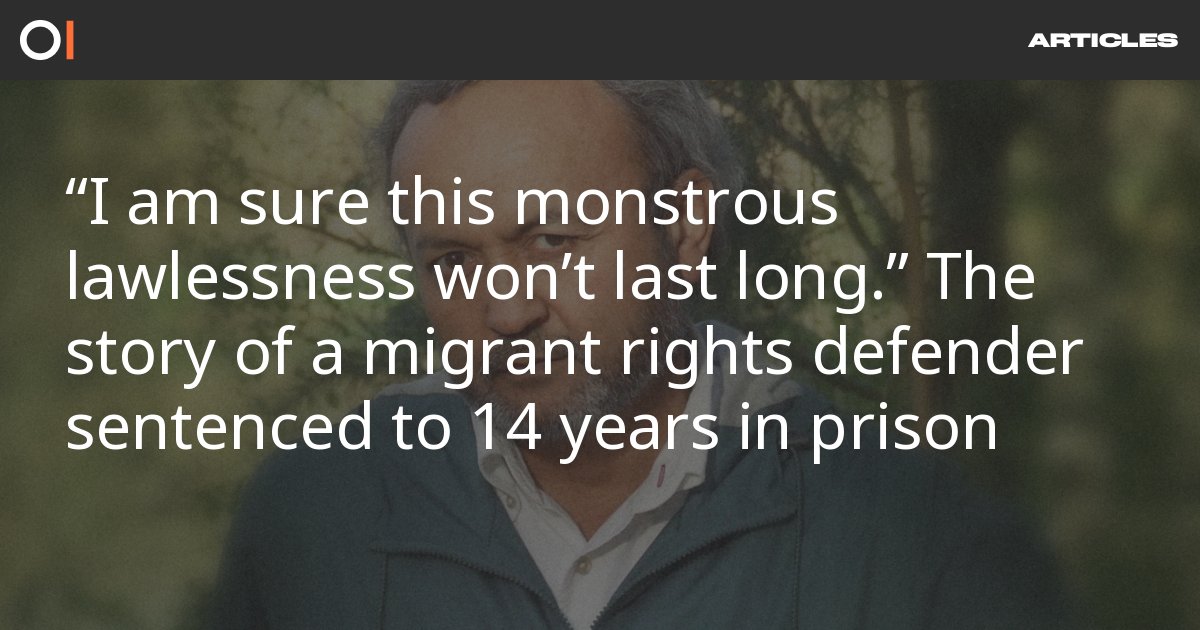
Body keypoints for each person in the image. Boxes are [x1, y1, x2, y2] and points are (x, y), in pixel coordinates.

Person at [210, 80, 1070, 629]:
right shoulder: (314, 514)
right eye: (455, 260)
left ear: (686, 227)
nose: (506, 312)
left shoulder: (908, 536)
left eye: (552, 241)